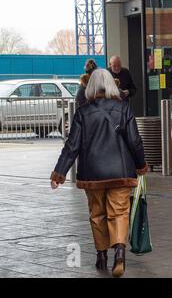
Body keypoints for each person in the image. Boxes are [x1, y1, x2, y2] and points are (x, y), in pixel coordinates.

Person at [50, 69, 148, 277]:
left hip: (92, 173)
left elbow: (72, 145)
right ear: (112, 85)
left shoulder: (83, 112)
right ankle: (119, 255)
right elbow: (134, 141)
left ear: (91, 87)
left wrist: (60, 172)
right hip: (120, 171)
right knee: (119, 212)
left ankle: (101, 256)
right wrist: (141, 165)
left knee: (97, 214)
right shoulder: (123, 109)